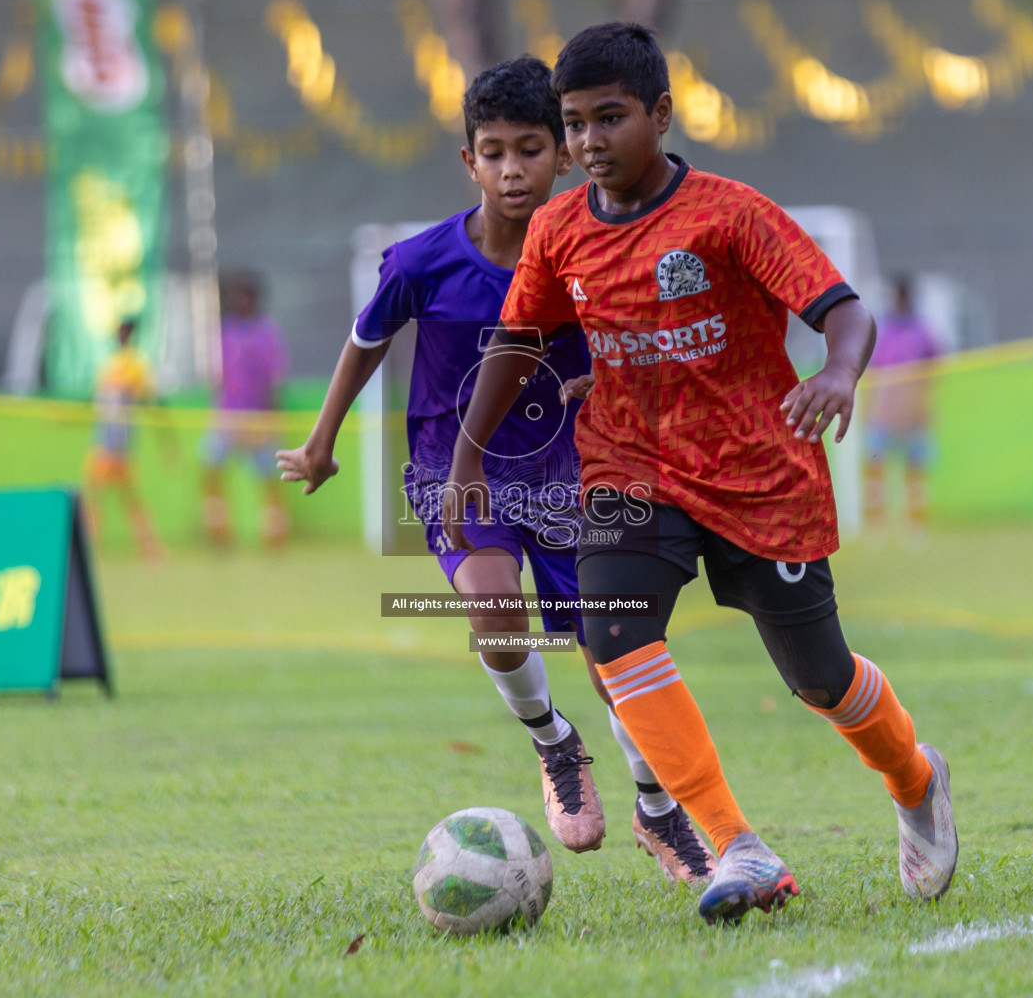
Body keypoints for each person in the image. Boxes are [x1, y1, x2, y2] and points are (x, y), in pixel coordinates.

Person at [444, 23, 957, 925]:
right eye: (575, 124)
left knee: (819, 678)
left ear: (662, 115)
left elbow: (841, 311)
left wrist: (837, 374)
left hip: (758, 471)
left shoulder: (730, 214)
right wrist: (466, 462)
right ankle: (737, 846)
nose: (591, 141)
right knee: (611, 635)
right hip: (629, 466)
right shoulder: (559, 227)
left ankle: (915, 777)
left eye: (611, 118)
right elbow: (519, 340)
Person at [276, 56, 714, 883]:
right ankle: (554, 742)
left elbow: (643, 345)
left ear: (562, 153)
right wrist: (321, 442)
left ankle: (659, 809)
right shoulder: (420, 262)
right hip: (456, 471)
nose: (514, 170)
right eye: (494, 151)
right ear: (469, 160)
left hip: (574, 473)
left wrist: (616, 387)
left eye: (531, 149)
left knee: (618, 648)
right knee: (491, 605)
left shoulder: (591, 251)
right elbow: (367, 342)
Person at [201, 271, 292, 548]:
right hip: (228, 416)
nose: (239, 301)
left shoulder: (268, 332)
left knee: (269, 477)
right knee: (210, 468)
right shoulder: (225, 331)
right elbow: (216, 375)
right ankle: (219, 530)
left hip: (259, 418)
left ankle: (274, 532)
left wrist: (273, 417)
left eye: (244, 295)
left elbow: (275, 377)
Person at [863, 276, 941, 538]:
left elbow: (934, 371)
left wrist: (924, 406)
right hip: (884, 413)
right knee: (876, 467)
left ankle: (915, 525)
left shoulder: (922, 332)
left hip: (914, 413)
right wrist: (871, 407)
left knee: (915, 469)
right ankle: (878, 524)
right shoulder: (882, 331)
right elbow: (873, 372)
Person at [85, 318, 166, 562]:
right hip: (102, 441)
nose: (121, 336)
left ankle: (152, 548)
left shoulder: (137, 365)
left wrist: (167, 443)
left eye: (125, 331)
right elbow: (97, 403)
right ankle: (88, 549)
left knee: (129, 499)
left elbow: (153, 402)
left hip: (120, 445)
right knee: (95, 497)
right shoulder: (109, 364)